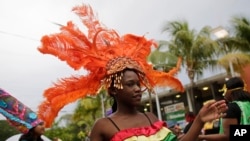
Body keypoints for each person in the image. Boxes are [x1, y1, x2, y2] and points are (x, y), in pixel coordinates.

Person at [36, 3, 228, 141]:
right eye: (130, 84)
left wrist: (200, 121)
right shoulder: (103, 126)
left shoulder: (150, 118)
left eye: (138, 83)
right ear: (113, 90)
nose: (138, 88)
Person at [198, 77, 250, 141]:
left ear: (229, 92)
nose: (224, 95)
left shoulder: (231, 108)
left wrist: (201, 137)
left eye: (224, 91)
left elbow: (228, 136)